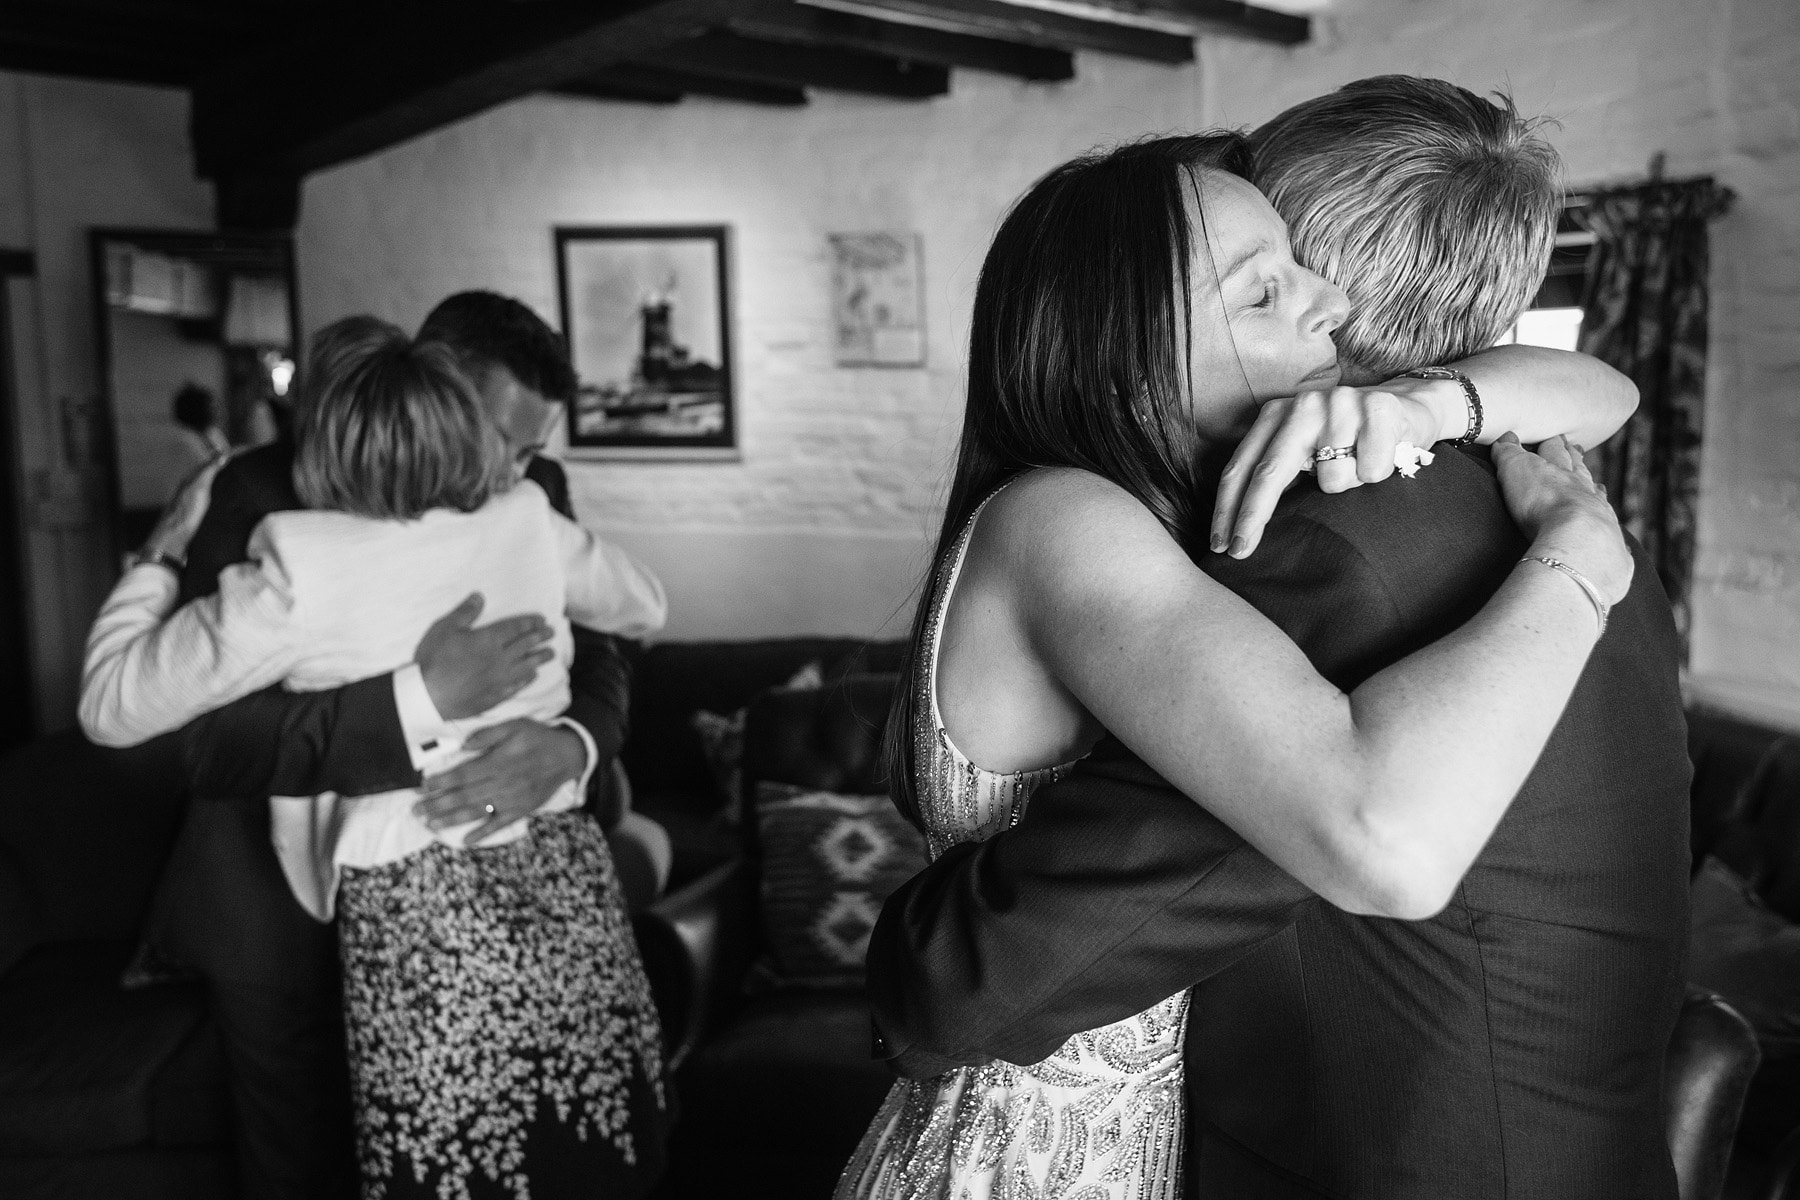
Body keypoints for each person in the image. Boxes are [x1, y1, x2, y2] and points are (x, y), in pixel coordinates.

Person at [857, 80, 1689, 1199]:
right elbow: (1605, 395)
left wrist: (1474, 441)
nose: (1322, 300)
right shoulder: (1531, 482)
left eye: (1294, 260)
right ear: (1128, 342)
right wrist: (1579, 551)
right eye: (1263, 284)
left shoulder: (1338, 534)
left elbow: (981, 978)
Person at [82, 319, 671, 1200]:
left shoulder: (524, 493)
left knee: (487, 1152)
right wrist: (418, 698)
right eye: (504, 439)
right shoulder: (248, 494)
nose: (512, 467)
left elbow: (607, 644)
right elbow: (206, 743)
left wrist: (572, 742)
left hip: (462, 883)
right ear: (450, 397)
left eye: (529, 449)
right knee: (329, 1158)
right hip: (271, 902)